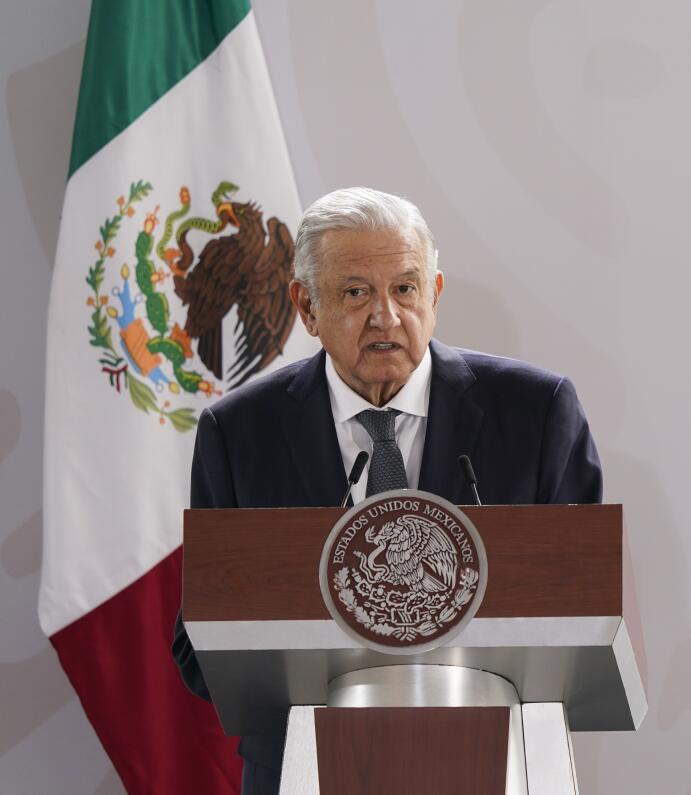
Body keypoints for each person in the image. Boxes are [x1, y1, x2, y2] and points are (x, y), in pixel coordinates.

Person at [171, 187, 602, 794]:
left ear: (436, 294)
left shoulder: (534, 413)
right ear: (306, 307)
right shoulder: (240, 433)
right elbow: (199, 648)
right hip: (305, 770)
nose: (386, 316)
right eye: (355, 293)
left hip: (498, 765)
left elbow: (585, 615)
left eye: (405, 288)